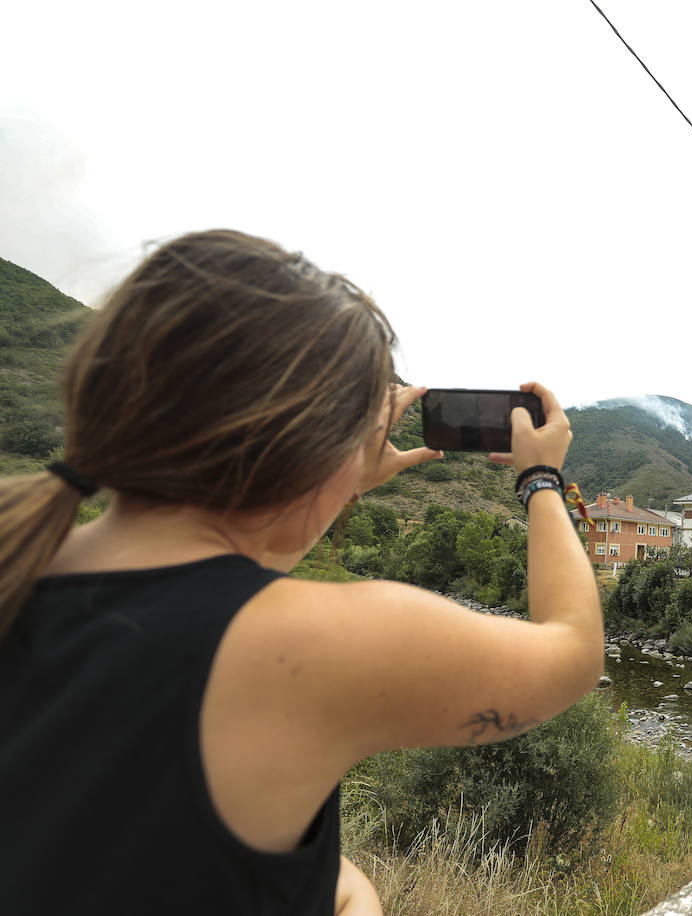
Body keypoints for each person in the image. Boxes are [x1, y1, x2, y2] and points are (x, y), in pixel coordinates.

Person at [0, 230, 603, 914]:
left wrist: (332, 477)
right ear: (314, 447)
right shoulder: (312, 642)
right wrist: (541, 478)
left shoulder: (22, 560)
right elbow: (575, 651)